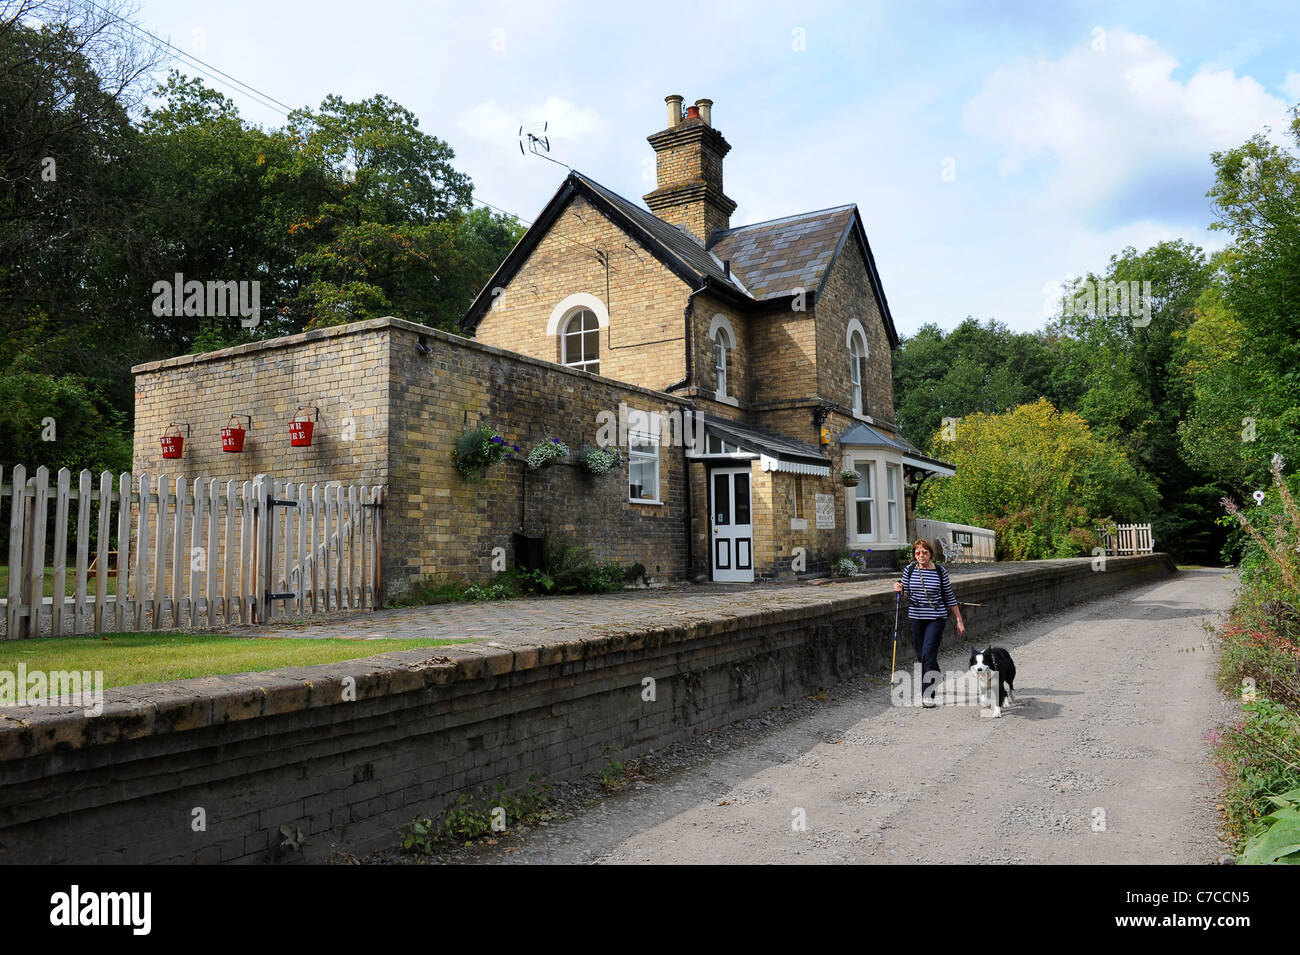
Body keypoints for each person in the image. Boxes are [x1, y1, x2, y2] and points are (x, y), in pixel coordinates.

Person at [893, 538, 965, 707]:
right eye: (917, 553)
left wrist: (959, 620)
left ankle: (928, 694)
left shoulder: (940, 572)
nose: (921, 555)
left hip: (936, 618)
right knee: (921, 656)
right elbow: (906, 597)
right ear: (914, 555)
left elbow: (949, 596)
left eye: (924, 552)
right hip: (916, 617)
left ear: (931, 554)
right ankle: (935, 674)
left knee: (928, 654)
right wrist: (899, 590)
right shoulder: (909, 570)